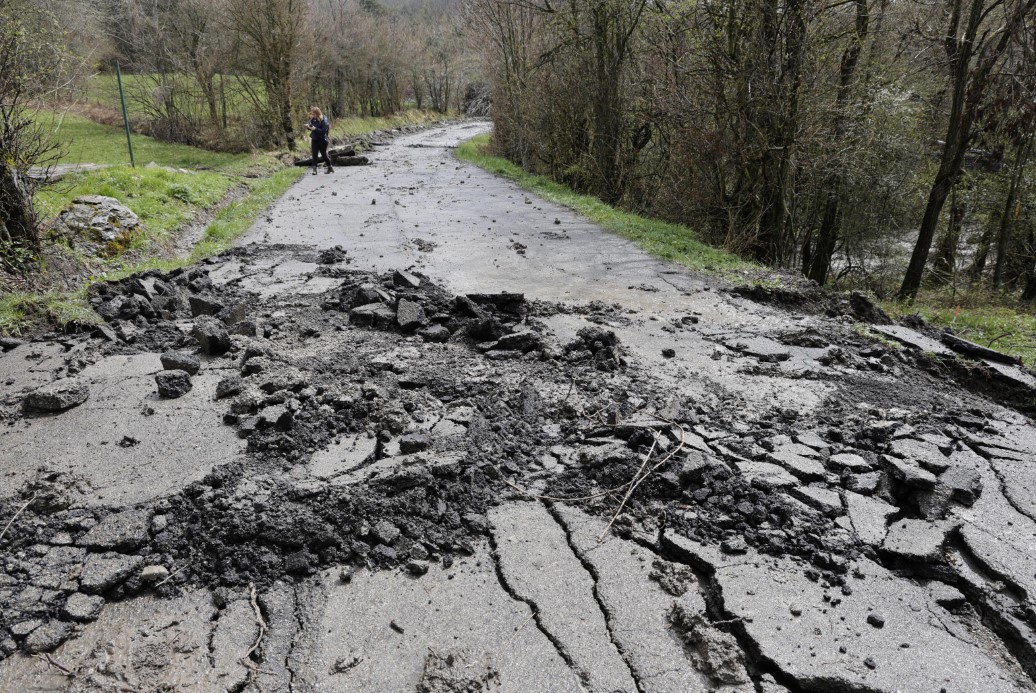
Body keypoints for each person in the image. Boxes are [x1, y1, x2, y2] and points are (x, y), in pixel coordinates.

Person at [305, 107, 333, 175]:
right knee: (314, 154)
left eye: (313, 114)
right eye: (312, 114)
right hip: (314, 139)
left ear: (317, 113)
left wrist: (315, 129)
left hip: (322, 139)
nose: (312, 115)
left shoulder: (324, 119)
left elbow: (323, 131)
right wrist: (308, 127)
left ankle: (330, 167)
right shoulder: (313, 119)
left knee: (324, 155)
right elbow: (312, 127)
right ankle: (314, 170)